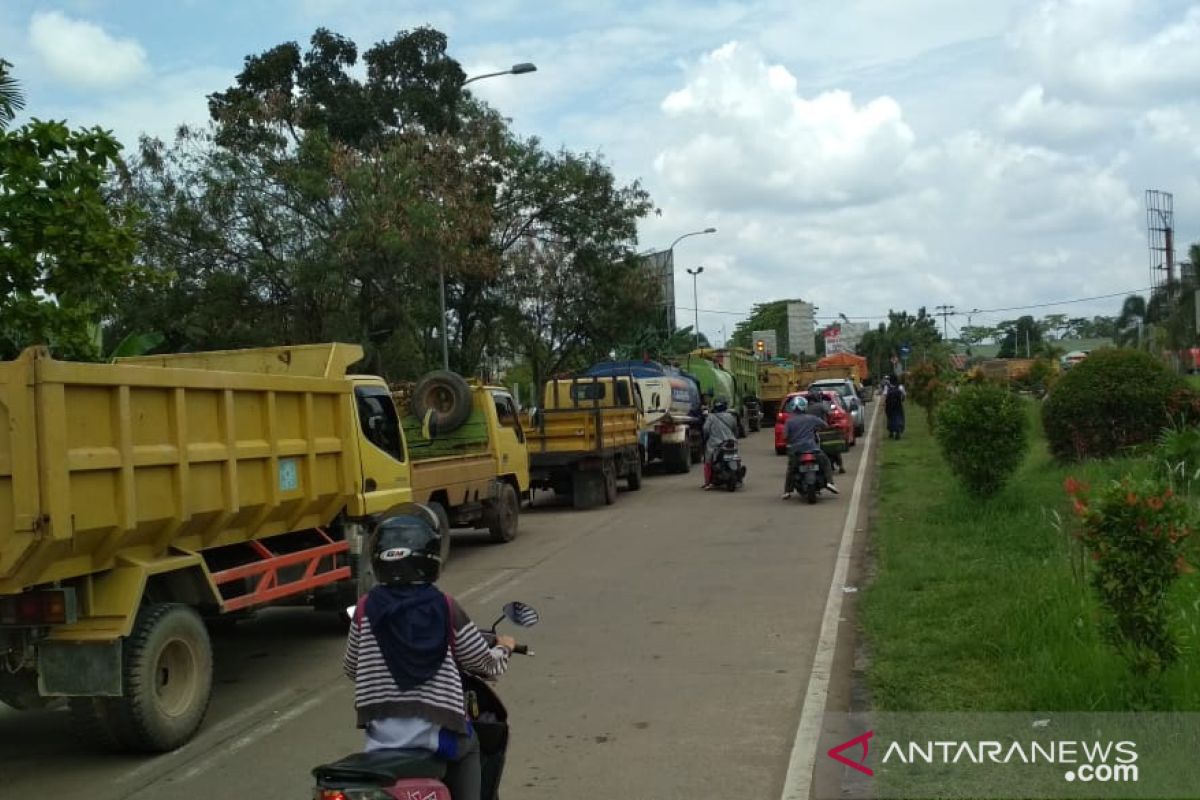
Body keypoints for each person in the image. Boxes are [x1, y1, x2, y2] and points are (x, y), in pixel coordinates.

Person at [344, 507, 516, 800]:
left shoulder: (364, 609)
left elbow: (351, 667)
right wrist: (504, 647)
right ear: (431, 556)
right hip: (434, 736)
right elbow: (486, 665)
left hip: (380, 741)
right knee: (472, 746)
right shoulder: (444, 607)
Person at [782, 399, 839, 499]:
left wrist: (791, 439)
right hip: (813, 449)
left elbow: (785, 437)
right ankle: (830, 482)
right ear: (804, 407)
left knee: (791, 469)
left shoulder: (789, 421)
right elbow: (825, 425)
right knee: (826, 461)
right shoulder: (812, 418)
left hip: (796, 451)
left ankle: (787, 491)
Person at [702, 400, 738, 489]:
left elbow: (705, 429)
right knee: (735, 455)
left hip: (715, 444)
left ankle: (707, 482)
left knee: (708, 461)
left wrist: (706, 438)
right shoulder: (730, 416)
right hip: (730, 441)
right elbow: (735, 429)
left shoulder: (711, 417)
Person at [884, 375, 907, 440]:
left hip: (890, 406)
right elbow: (904, 395)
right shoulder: (900, 387)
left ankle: (891, 431)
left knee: (890, 418)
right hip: (898, 405)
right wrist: (902, 400)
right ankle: (898, 431)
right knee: (899, 417)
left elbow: (885, 396)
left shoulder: (887, 387)